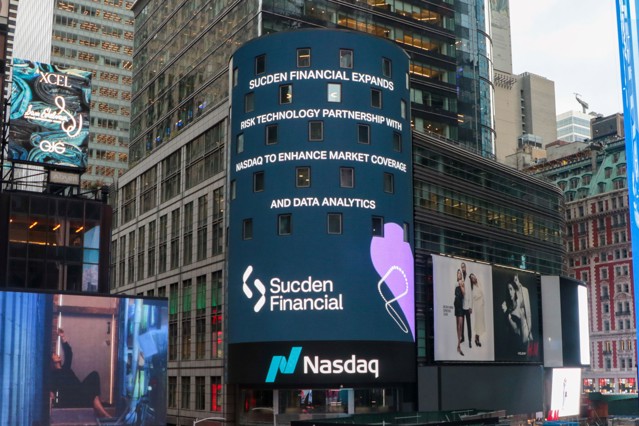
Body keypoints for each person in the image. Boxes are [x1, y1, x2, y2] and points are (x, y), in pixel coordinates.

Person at [50, 328, 111, 418]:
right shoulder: (53, 375)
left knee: (94, 375)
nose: (58, 355)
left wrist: (63, 337)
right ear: (52, 361)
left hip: (80, 391)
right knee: (93, 395)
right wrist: (51, 402)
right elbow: (52, 393)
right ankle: (105, 414)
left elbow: (69, 353)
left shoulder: (65, 367)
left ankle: (99, 406)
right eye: (55, 355)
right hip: (72, 399)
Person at [469, 273, 485, 347]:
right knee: (478, 323)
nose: (473, 278)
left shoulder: (479, 283)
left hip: (481, 306)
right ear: (471, 280)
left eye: (474, 276)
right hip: (477, 307)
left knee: (480, 323)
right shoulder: (472, 288)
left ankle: (477, 338)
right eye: (472, 278)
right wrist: (470, 308)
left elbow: (482, 292)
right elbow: (472, 298)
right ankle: (477, 339)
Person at [460, 262, 473, 348]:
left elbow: (470, 293)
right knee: (462, 323)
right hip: (462, 305)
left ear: (466, 268)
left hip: (467, 305)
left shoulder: (468, 279)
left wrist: (471, 307)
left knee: (468, 324)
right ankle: (463, 338)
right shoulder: (461, 278)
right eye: (462, 267)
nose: (463, 269)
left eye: (464, 267)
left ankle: (469, 341)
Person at [453, 269, 465, 356]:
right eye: (458, 274)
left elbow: (464, 294)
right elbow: (455, 295)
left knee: (461, 325)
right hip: (456, 305)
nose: (459, 275)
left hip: (461, 306)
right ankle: (458, 345)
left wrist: (461, 285)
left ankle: (458, 345)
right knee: (457, 325)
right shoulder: (455, 284)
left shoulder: (462, 284)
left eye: (460, 274)